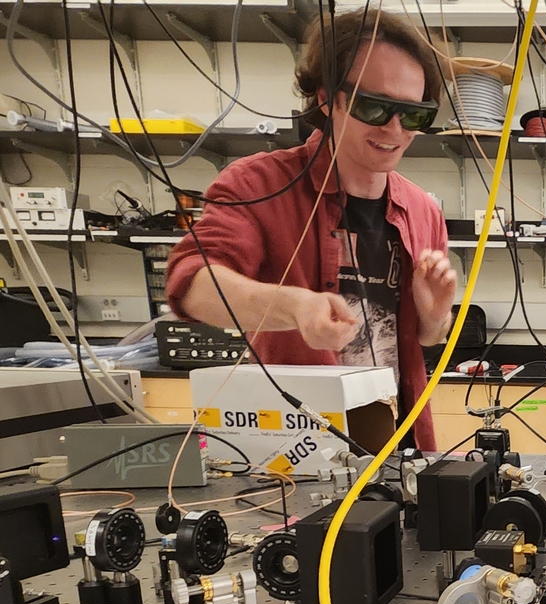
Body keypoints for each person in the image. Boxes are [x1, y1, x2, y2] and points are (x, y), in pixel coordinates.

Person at [166, 11, 457, 451]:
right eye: (372, 106)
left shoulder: (421, 210)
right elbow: (191, 285)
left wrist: (435, 317)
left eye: (413, 114)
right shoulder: (259, 186)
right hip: (294, 455)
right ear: (326, 99)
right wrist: (294, 306)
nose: (394, 129)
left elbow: (427, 339)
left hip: (400, 450)